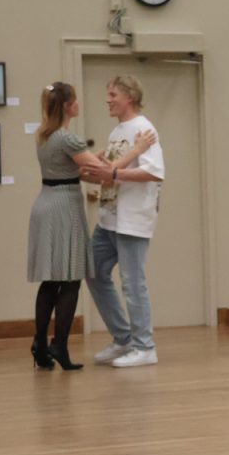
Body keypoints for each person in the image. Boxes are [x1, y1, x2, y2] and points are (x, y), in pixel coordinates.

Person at [26, 82, 152, 370]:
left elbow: (74, 169)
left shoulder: (44, 135)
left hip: (45, 203)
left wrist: (95, 164)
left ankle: (40, 343)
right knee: (70, 279)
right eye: (76, 100)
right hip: (64, 209)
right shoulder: (68, 139)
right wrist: (137, 150)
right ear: (69, 105)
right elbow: (104, 175)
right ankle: (59, 345)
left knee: (50, 281)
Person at [79, 75, 165, 368]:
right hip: (108, 219)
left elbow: (154, 172)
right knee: (93, 271)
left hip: (132, 220)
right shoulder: (118, 131)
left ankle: (145, 347)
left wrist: (113, 174)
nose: (108, 99)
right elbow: (107, 167)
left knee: (132, 283)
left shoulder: (144, 129)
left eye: (113, 94)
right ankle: (123, 338)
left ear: (129, 96)